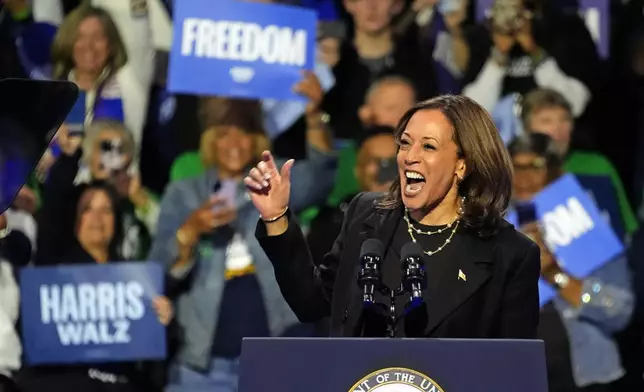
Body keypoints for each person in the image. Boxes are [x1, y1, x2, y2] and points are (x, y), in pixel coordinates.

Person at [246, 95, 540, 338]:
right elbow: (311, 303)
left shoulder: (509, 254)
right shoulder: (367, 215)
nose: (409, 156)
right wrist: (276, 217)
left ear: (462, 165)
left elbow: (512, 367)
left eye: (428, 146)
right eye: (405, 143)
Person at [508, 133, 634, 392]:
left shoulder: (587, 227)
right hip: (515, 377)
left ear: (556, 173)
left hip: (586, 377)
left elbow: (619, 308)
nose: (524, 179)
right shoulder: (488, 228)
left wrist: (557, 275)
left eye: (535, 167)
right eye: (514, 168)